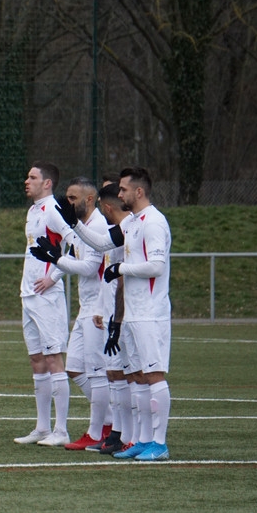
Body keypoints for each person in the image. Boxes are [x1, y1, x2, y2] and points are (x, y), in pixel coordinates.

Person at [57, 166, 173, 461]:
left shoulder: (154, 222)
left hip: (150, 313)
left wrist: (121, 268)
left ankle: (159, 443)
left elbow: (157, 266)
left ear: (139, 191)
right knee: (135, 376)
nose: (118, 194)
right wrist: (75, 225)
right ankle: (143, 440)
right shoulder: (132, 223)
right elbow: (102, 243)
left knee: (153, 376)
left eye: (122, 189)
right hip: (132, 314)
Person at [29, 177, 111, 449]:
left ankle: (98, 430)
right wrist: (59, 261)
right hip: (85, 307)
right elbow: (78, 261)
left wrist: (56, 260)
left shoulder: (98, 225)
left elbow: (89, 267)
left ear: (89, 199)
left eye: (73, 198)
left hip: (99, 307)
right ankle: (109, 418)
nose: (68, 203)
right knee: (75, 368)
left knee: (97, 372)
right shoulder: (83, 226)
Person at [13, 162, 72, 447]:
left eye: (33, 177)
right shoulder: (34, 210)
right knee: (37, 360)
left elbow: (74, 243)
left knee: (53, 359)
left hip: (47, 297)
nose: (27, 181)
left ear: (47, 183)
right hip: (29, 296)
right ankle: (42, 427)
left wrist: (54, 276)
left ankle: (61, 431)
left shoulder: (53, 210)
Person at [86, 178, 134, 454]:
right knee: (114, 373)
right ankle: (118, 432)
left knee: (129, 374)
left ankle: (129, 434)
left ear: (105, 206)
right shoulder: (120, 229)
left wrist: (115, 317)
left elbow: (122, 276)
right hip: (113, 310)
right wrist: (102, 309)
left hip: (128, 312)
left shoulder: (127, 230)